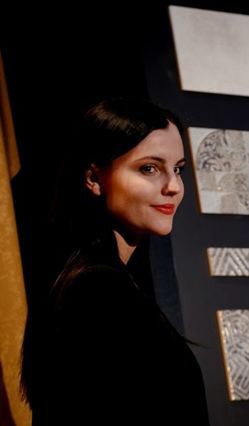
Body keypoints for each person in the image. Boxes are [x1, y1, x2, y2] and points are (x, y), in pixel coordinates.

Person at [20, 98, 209, 425]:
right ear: (94, 178)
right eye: (149, 168)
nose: (174, 187)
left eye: (177, 169)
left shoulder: (94, 281)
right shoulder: (98, 291)